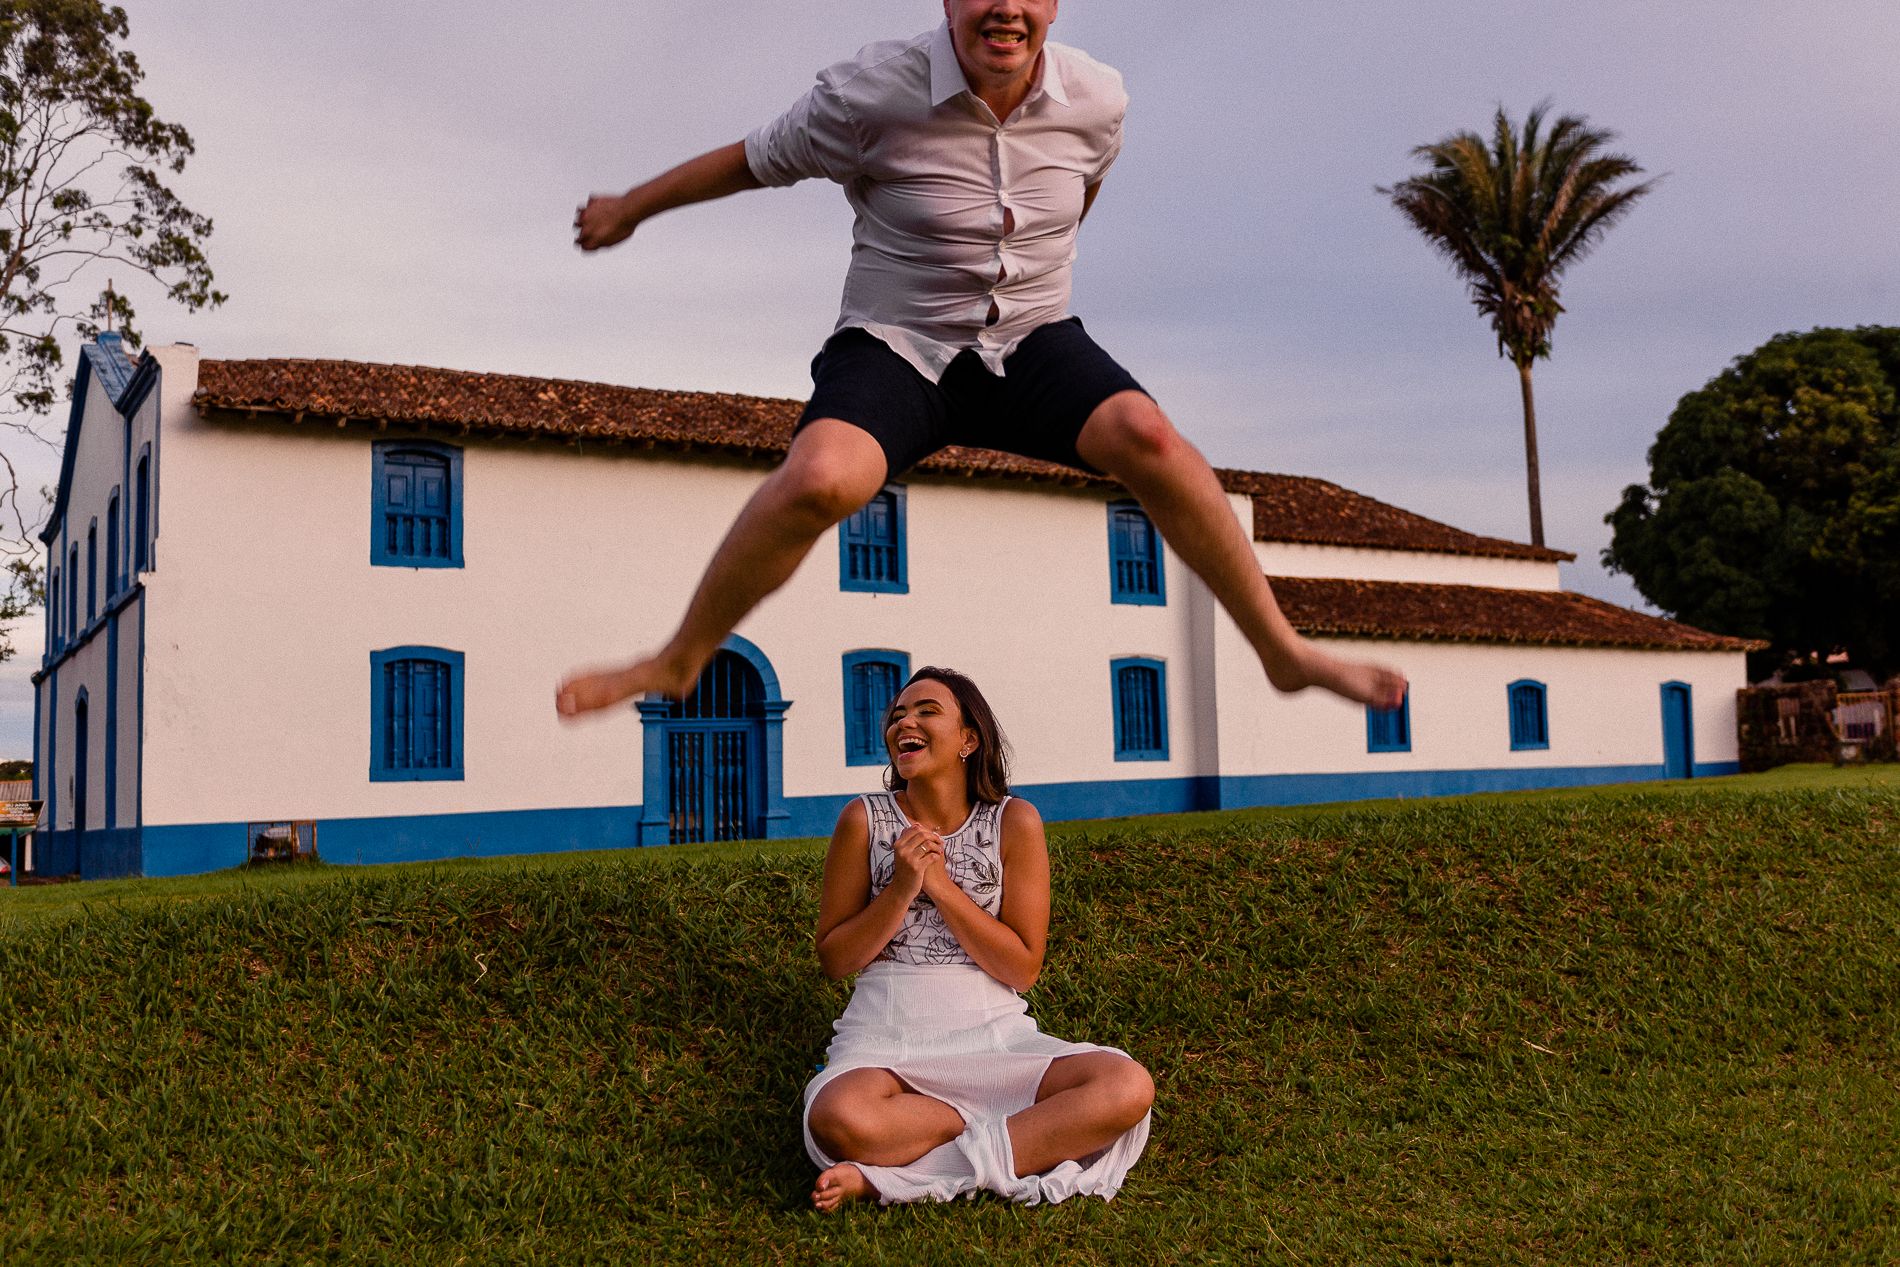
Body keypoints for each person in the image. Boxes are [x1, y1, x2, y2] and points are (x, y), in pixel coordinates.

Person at [557, 1, 1406, 720]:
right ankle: (680, 658)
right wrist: (631, 207)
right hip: (898, 344)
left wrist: (1038, 270)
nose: (1007, 7)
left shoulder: (1098, 99)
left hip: (1032, 339)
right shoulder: (867, 94)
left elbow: (1082, 191)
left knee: (1149, 434)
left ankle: (1284, 651)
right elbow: (747, 163)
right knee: (820, 478)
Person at [801, 666, 1152, 1210]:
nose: (904, 723)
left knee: (1126, 1085)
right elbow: (834, 959)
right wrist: (899, 891)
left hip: (994, 1039)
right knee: (838, 1118)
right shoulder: (863, 820)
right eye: (897, 715)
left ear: (969, 738)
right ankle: (1011, 1134)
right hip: (886, 1040)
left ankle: (896, 1178)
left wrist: (941, 887)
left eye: (926, 711)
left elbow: (1022, 968)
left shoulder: (1015, 821)